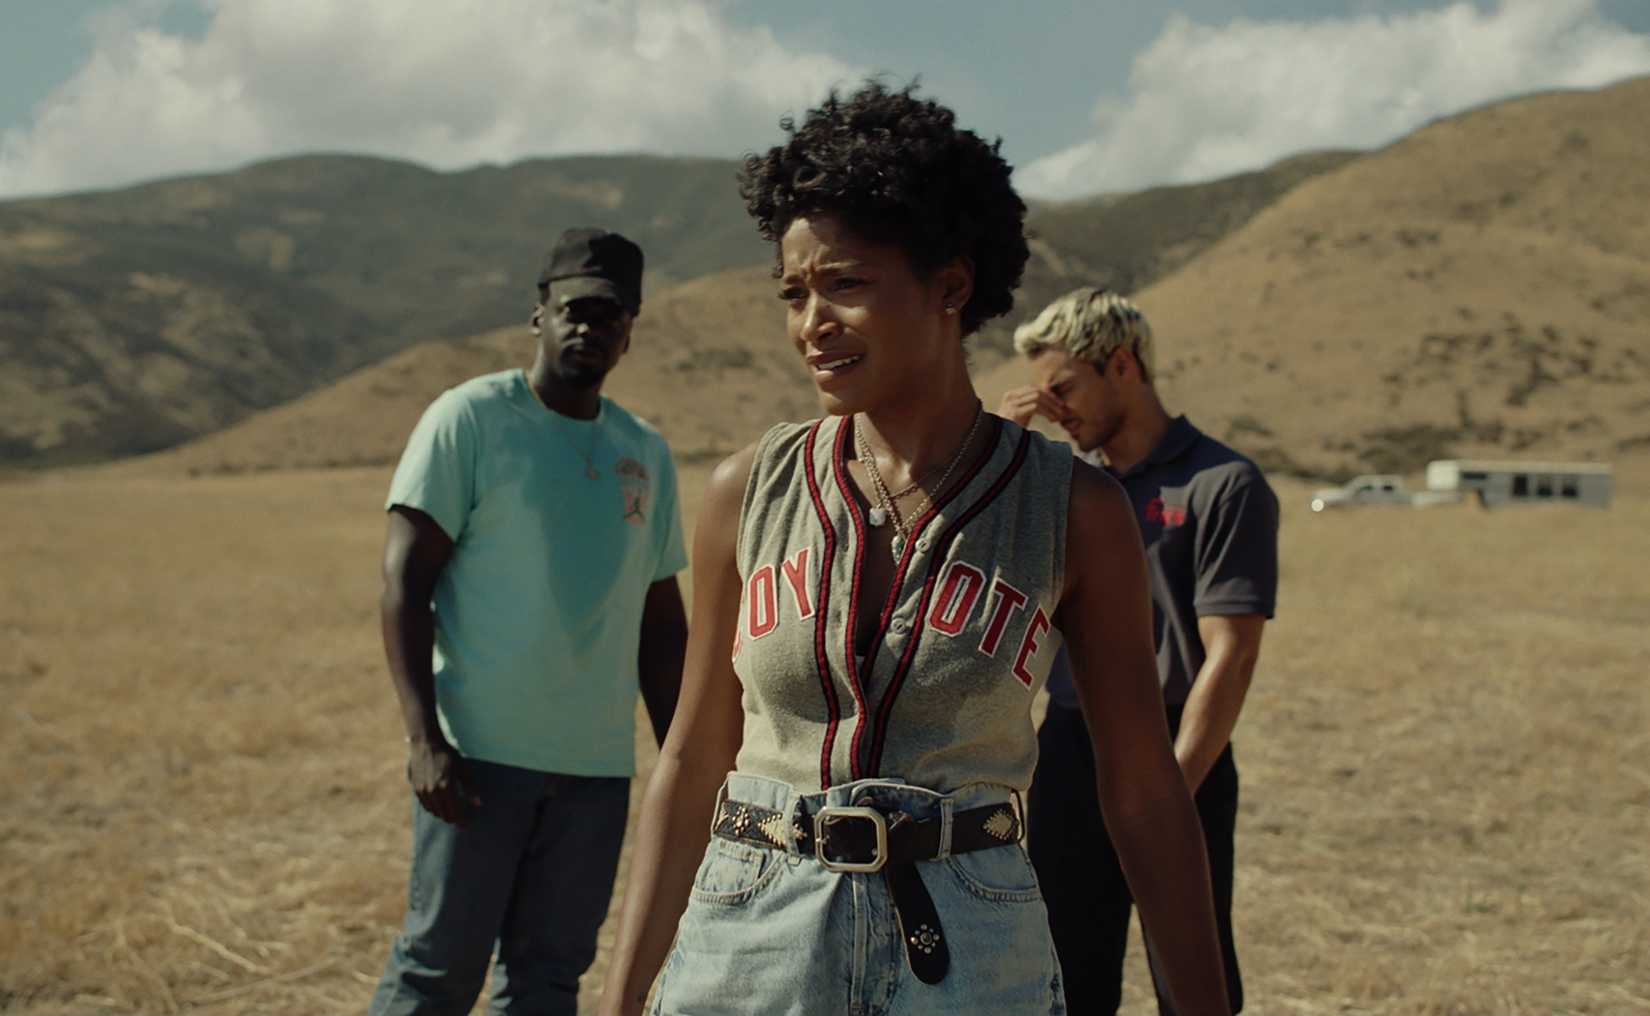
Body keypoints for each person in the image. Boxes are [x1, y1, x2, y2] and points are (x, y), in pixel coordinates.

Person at [597, 82, 1232, 1016]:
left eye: (844, 283)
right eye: (793, 291)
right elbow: (694, 759)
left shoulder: (1073, 511)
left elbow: (1140, 787)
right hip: (751, 933)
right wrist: (618, 999)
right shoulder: (748, 492)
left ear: (950, 284)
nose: (810, 322)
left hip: (970, 944)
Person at [367, 227, 689, 1016]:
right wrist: (424, 740)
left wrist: (685, 762)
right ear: (537, 315)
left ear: (631, 328)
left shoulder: (643, 451)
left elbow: (661, 627)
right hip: (478, 761)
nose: (591, 328)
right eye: (574, 309)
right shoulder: (470, 418)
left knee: (548, 981)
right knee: (437, 972)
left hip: (594, 774)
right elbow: (403, 585)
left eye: (611, 315)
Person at [1001, 288, 1278, 1016]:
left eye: (1064, 387)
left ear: (1122, 365)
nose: (1055, 409)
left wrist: (1169, 792)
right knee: (1061, 979)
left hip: (1177, 746)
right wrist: (998, 459)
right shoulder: (1065, 491)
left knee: (1190, 982)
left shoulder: (1224, 483)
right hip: (1068, 750)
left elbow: (1232, 656)